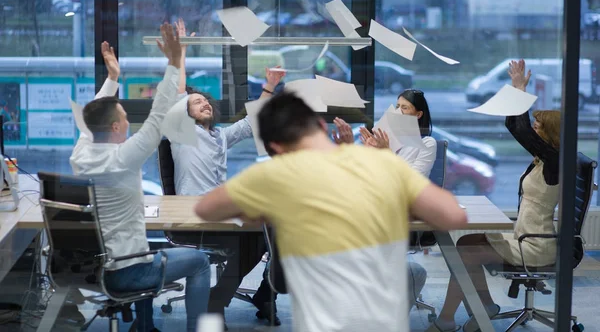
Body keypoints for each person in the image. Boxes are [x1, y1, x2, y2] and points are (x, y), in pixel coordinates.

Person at [194, 91, 468, 332]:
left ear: (275, 146)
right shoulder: (383, 163)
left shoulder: (271, 174)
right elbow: (453, 216)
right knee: (413, 271)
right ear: (320, 126)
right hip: (381, 320)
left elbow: (205, 208)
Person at [70, 24, 210, 332]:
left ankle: (143, 327)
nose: (128, 121)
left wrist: (112, 79)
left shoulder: (80, 155)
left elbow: (88, 123)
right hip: (127, 271)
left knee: (148, 250)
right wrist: (174, 63)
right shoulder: (124, 158)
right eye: (123, 117)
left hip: (105, 263)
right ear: (118, 128)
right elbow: (159, 114)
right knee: (199, 262)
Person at [426, 59, 561, 332]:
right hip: (523, 235)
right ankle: (485, 306)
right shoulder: (545, 159)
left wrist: (519, 90)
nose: (533, 133)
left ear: (550, 136)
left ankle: (446, 320)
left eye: (538, 130)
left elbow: (521, 130)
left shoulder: (556, 160)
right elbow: (515, 126)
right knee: (463, 244)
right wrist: (516, 90)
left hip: (533, 244)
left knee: (463, 255)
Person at [168, 19, 284, 326]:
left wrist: (270, 86)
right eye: (196, 102)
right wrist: (180, 54)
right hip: (194, 213)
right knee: (251, 239)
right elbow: (178, 93)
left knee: (267, 233)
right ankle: (221, 301)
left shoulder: (218, 136)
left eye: (205, 100)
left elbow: (249, 124)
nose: (204, 103)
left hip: (220, 210)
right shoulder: (181, 134)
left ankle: (238, 294)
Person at [332, 89, 437, 309]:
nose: (398, 111)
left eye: (405, 107)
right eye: (397, 106)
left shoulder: (427, 144)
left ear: (418, 115)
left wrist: (385, 152)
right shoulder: (383, 138)